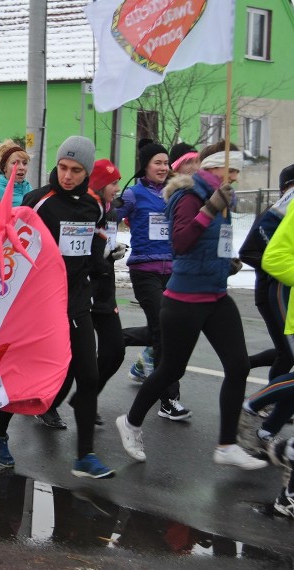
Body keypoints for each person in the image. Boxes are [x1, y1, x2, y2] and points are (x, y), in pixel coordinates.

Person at [115, 141, 267, 470]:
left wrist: (225, 263)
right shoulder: (188, 196)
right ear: (213, 166)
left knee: (238, 366)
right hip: (184, 299)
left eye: (238, 169)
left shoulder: (225, 197)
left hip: (215, 295)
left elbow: (212, 245)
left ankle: (226, 445)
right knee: (171, 368)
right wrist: (210, 208)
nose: (237, 175)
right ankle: (130, 422)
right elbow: (181, 242)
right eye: (233, 167)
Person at [0, 136, 115, 479]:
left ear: (86, 172)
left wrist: (102, 266)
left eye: (76, 170)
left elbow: (91, 251)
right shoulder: (39, 201)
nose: (67, 175)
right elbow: (13, 250)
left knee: (89, 375)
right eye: (63, 167)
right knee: (28, 375)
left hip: (76, 302)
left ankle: (85, 455)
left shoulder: (93, 206)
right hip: (40, 303)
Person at [115, 140, 191, 420]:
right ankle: (169, 399)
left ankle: (116, 338)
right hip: (145, 271)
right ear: (145, 166)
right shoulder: (134, 195)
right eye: (157, 162)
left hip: (172, 271)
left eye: (165, 162)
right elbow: (110, 219)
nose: (163, 167)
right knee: (164, 332)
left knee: (168, 330)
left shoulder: (175, 193)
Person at [239, 164, 294, 380]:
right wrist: (276, 270)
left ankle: (241, 365)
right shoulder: (274, 213)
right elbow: (247, 252)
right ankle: (267, 401)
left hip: (285, 290)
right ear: (284, 188)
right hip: (270, 290)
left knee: (286, 351)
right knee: (287, 353)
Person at [88, 159, 128, 417]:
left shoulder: (110, 211)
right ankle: (50, 404)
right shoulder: (86, 209)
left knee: (114, 352)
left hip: (105, 290)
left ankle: (86, 398)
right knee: (73, 359)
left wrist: (112, 252)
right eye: (113, 182)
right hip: (82, 292)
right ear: (100, 183)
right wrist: (101, 254)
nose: (116, 187)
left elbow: (104, 246)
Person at [0, 141, 32, 211]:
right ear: (5, 167)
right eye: (15, 163)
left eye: (25, 163)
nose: (22, 167)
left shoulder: (29, 188)